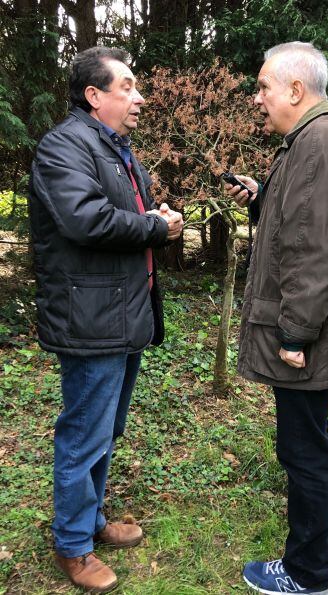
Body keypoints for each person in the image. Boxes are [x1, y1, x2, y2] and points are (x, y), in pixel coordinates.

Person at [224, 42, 328, 595]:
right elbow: (303, 220)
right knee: (316, 436)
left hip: (311, 330)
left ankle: (306, 573)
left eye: (264, 86)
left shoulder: (318, 145)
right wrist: (263, 194)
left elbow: (315, 253)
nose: (259, 98)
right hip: (327, 324)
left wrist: (295, 334)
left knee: (301, 447)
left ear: (295, 90)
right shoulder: (319, 139)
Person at [29, 46, 183, 593]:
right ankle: (72, 544)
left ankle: (89, 521)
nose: (138, 98)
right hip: (90, 318)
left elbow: (122, 213)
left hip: (120, 314)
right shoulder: (63, 146)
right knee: (84, 433)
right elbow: (86, 219)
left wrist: (153, 218)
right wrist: (154, 227)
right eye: (127, 87)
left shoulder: (115, 148)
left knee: (104, 430)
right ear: (94, 96)